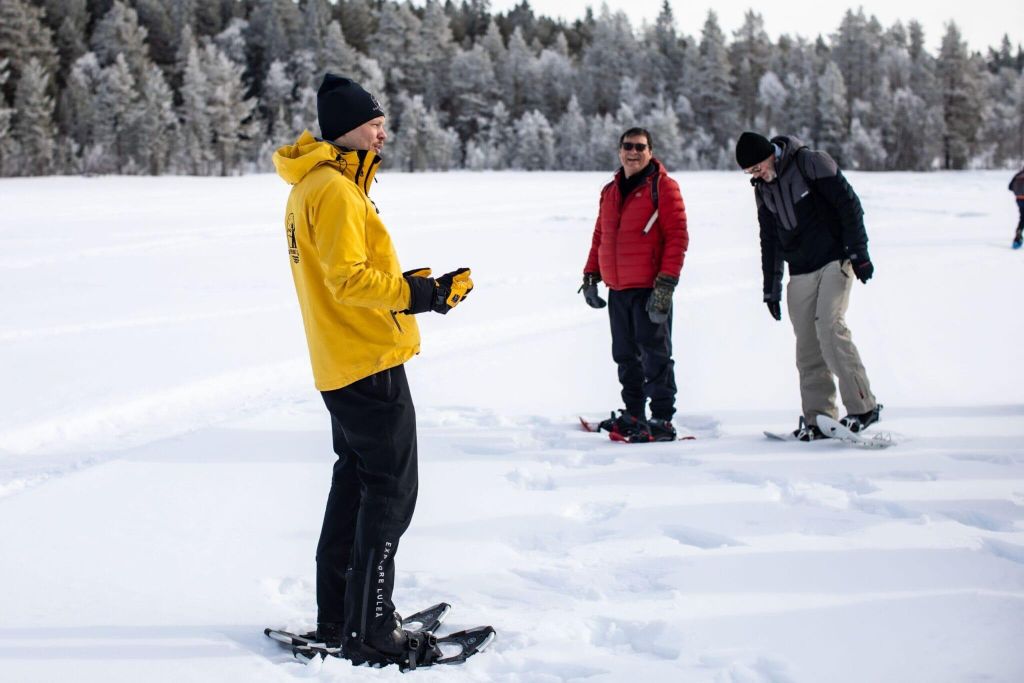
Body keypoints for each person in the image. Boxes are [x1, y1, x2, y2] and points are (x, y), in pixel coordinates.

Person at [272, 74, 473, 667]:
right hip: (367, 360)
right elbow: (347, 280)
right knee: (391, 492)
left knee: (355, 485)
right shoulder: (334, 189)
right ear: (346, 129)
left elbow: (341, 274)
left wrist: (404, 285)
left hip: (341, 359)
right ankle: (373, 629)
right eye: (374, 123)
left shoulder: (310, 185)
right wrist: (421, 295)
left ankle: (341, 615)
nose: (383, 133)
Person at [735, 131, 881, 441]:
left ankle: (863, 406)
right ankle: (819, 418)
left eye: (757, 167)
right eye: (749, 172)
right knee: (807, 346)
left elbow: (849, 205)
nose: (755, 175)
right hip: (800, 270)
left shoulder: (810, 163)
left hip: (834, 259)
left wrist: (859, 254)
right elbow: (769, 240)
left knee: (829, 327)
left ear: (769, 154)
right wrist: (771, 287)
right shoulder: (763, 190)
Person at [580, 127, 689, 442]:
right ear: (619, 151)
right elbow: (601, 236)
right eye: (628, 146)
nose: (633, 152)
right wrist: (591, 275)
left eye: (640, 147)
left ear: (650, 152)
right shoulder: (610, 191)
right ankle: (634, 414)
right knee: (625, 356)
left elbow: (678, 237)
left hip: (649, 288)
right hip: (618, 288)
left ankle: (662, 419)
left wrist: (665, 285)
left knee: (655, 356)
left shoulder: (663, 187)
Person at [1009, 166, 1024, 249]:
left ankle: (1018, 237)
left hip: (1019, 199)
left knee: (1022, 218)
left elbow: (1010, 187)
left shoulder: (1018, 174)